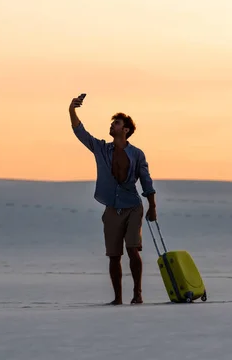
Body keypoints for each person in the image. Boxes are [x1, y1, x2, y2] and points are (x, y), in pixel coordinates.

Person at [68, 94, 157, 305]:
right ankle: (117, 298)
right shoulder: (102, 149)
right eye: (112, 123)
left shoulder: (137, 154)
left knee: (132, 249)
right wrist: (72, 110)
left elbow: (146, 180)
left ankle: (137, 293)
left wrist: (152, 206)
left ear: (126, 129)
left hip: (133, 206)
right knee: (114, 255)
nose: (112, 126)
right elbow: (81, 133)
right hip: (111, 208)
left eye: (116, 123)